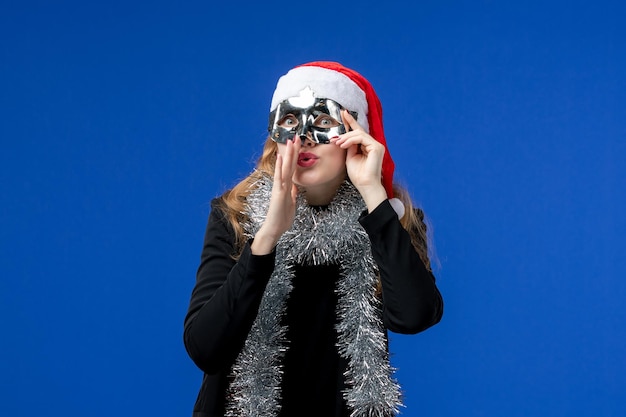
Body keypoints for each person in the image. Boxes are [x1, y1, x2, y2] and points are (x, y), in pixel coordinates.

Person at [183, 61, 443, 417]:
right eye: (290, 121)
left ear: (356, 134)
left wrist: (373, 195)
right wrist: (268, 236)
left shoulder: (390, 217)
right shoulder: (236, 214)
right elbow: (205, 348)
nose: (303, 137)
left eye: (323, 122)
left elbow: (415, 317)